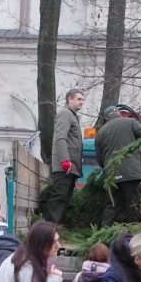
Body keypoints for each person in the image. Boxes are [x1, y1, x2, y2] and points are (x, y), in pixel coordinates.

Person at [95, 107, 141, 225]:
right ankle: (134, 233)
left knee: (111, 206)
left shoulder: (100, 132)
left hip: (111, 174)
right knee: (133, 206)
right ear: (118, 114)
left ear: (106, 118)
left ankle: (104, 235)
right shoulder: (130, 122)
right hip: (131, 173)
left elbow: (100, 158)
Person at [44, 88, 84, 224]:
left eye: (82, 99)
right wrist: (65, 160)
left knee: (64, 199)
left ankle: (55, 230)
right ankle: (49, 230)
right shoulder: (65, 114)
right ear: (69, 99)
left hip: (71, 167)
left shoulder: (72, 116)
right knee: (59, 198)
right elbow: (60, 138)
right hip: (65, 166)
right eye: (79, 99)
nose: (82, 102)